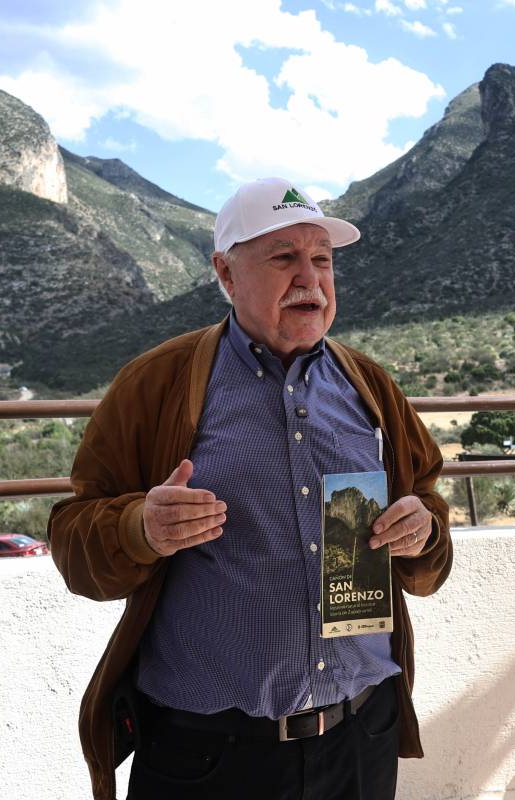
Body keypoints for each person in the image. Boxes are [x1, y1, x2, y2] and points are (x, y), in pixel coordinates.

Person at [48, 177, 453, 800]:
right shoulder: (156, 385)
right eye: (284, 257)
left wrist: (421, 529)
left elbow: (428, 518)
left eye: (322, 259)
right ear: (226, 273)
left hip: (360, 739)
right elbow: (73, 541)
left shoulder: (369, 386)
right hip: (210, 757)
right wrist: (140, 528)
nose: (310, 279)